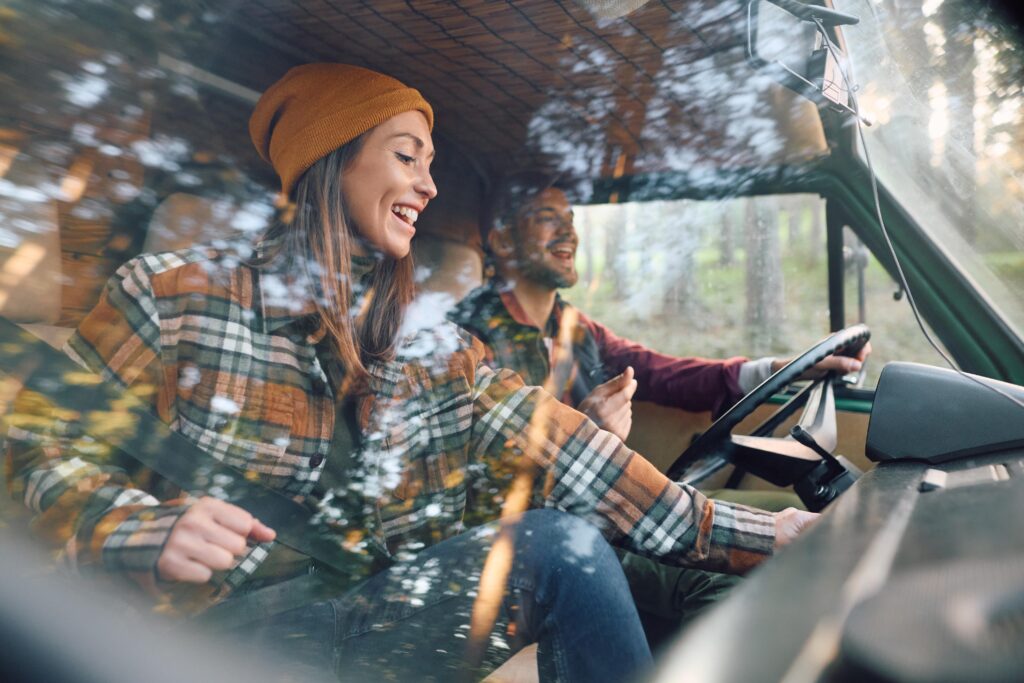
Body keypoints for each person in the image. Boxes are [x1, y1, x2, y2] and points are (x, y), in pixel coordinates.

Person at [5, 64, 816, 682]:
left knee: (563, 547)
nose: (428, 184)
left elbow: (566, 444)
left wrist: (763, 534)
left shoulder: (427, 345)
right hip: (198, 636)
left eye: (430, 162)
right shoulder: (170, 293)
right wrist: (140, 526)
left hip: (367, 614)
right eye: (406, 155)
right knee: (565, 548)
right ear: (332, 157)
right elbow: (37, 452)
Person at [449, 172, 870, 628]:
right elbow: (474, 484)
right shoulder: (468, 341)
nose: (570, 232)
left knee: (814, 519)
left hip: (613, 511)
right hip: (539, 541)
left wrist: (779, 369)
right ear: (504, 242)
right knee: (726, 576)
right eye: (548, 219)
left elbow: (662, 373)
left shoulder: (573, 326)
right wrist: (584, 428)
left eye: (571, 219)